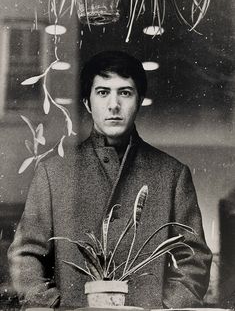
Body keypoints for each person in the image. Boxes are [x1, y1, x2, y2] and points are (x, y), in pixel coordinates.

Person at [8, 50, 212, 308]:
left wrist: (164, 309)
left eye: (125, 92)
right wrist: (54, 307)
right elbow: (26, 255)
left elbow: (194, 261)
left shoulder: (172, 174)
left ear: (139, 101)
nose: (113, 104)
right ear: (87, 102)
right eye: (103, 92)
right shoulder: (53, 172)